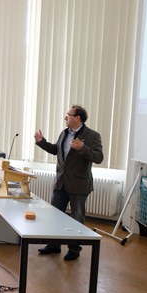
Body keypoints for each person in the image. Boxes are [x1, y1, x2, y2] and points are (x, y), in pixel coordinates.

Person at [34, 105, 104, 261]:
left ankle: (74, 249)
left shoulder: (92, 135)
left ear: (77, 118)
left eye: (68, 115)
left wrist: (83, 148)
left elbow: (99, 157)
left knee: (76, 218)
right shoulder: (64, 133)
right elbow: (56, 150)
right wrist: (41, 142)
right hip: (61, 183)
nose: (66, 117)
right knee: (54, 216)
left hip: (79, 185)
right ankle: (53, 245)